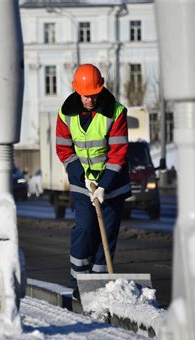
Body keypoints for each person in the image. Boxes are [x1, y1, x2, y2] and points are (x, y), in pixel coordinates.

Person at [55, 63, 131, 300]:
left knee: (106, 237)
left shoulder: (116, 112)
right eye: (85, 96)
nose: (89, 100)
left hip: (113, 185)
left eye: (94, 95)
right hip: (82, 185)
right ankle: (79, 282)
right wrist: (82, 176)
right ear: (77, 91)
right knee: (86, 229)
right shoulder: (65, 113)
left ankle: (98, 286)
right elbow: (64, 150)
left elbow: (118, 151)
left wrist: (104, 184)